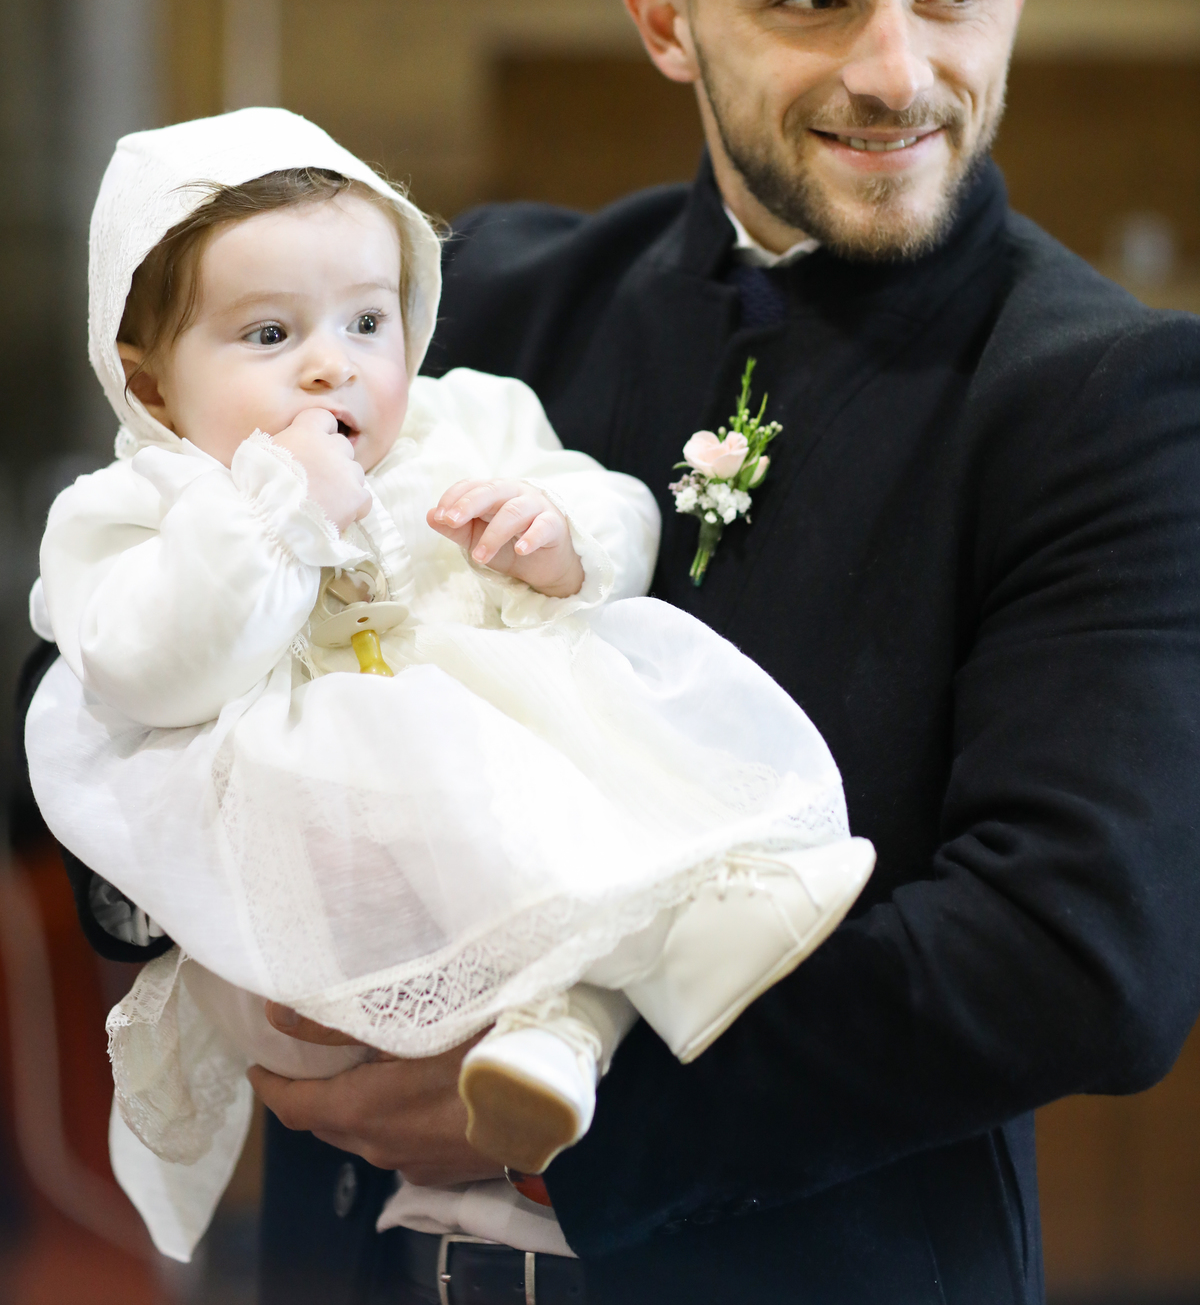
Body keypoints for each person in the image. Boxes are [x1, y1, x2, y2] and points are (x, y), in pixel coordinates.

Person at [45, 0, 1200, 1303]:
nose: (899, 71)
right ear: (666, 22)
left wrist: (531, 1111)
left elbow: (1082, 960)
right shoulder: (489, 304)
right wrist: (214, 918)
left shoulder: (1107, 397)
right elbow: (100, 668)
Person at [24, 106, 871, 1264]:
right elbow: (149, 663)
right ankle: (546, 1037)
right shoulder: (131, 511)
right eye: (269, 335)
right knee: (381, 901)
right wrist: (278, 513)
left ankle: (563, 1034)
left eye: (368, 320)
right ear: (154, 386)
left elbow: (613, 503)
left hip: (475, 812)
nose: (334, 362)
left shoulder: (467, 417)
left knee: (581, 828)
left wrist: (557, 530)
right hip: (302, 874)